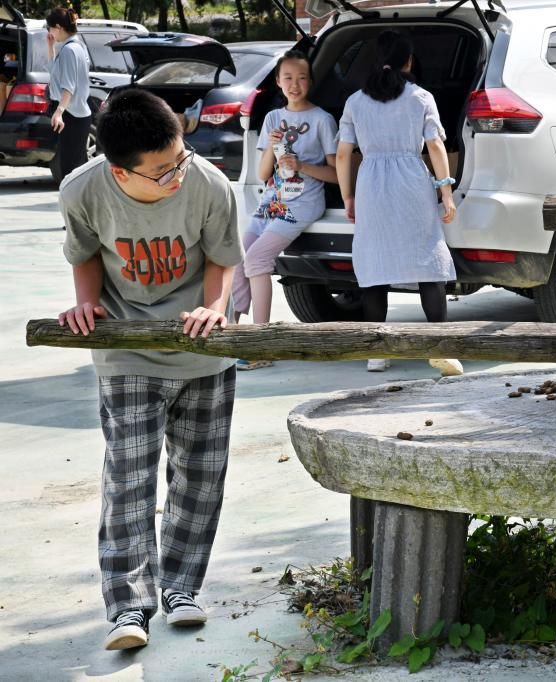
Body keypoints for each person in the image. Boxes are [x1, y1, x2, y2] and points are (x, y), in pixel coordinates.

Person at [57, 89, 243, 651]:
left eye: (180, 157)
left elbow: (221, 256)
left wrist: (215, 308)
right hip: (127, 345)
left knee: (200, 472)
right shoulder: (82, 190)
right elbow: (85, 251)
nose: (177, 175)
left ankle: (182, 588)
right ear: (121, 171)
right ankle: (127, 607)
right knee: (129, 477)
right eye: (162, 171)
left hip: (202, 346)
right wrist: (87, 302)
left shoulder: (209, 183)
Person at [336, 31, 462, 376]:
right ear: (409, 61)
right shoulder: (421, 98)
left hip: (371, 185)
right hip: (412, 182)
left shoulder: (355, 102)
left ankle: (377, 352)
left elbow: (345, 153)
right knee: (428, 261)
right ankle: (441, 350)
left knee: (375, 267)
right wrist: (446, 193)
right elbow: (435, 146)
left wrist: (348, 195)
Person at [232, 50, 338, 370]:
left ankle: (263, 346)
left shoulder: (322, 120)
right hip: (273, 201)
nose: (295, 84)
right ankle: (228, 333)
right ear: (278, 82)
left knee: (258, 259)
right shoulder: (272, 119)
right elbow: (264, 174)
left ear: (311, 82)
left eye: (302, 77)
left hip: (303, 202)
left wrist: (302, 165)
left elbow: (336, 173)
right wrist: (276, 149)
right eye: (288, 78)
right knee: (239, 259)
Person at [46, 7, 91, 182]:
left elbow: (68, 87)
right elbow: (55, 72)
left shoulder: (70, 50)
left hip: (72, 116)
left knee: (70, 170)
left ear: (58, 27)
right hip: (77, 115)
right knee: (76, 168)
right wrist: (50, 47)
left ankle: (76, 207)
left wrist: (59, 112)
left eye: (49, 28)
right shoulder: (77, 46)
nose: (49, 32)